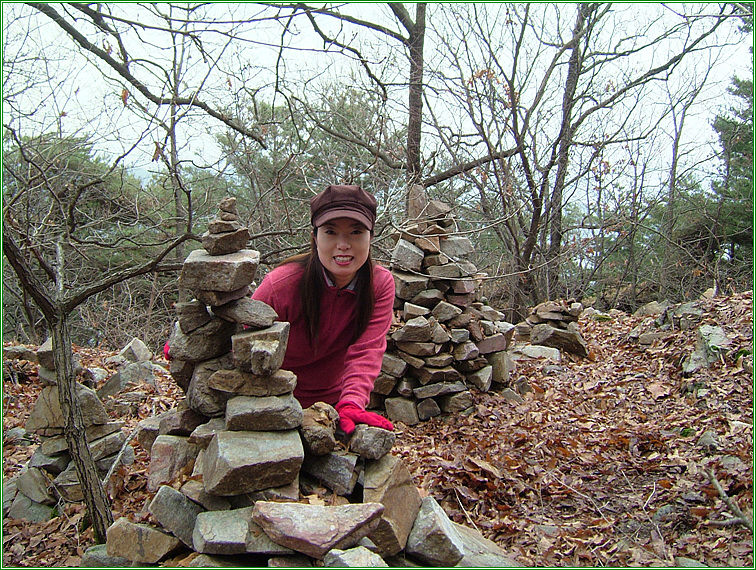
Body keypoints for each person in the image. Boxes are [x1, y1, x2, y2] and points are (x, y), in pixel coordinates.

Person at [251, 184, 394, 435]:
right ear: (315, 237)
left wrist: (351, 404)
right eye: (330, 232)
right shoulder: (280, 285)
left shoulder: (379, 285)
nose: (343, 245)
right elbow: (243, 336)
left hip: (332, 407)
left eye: (356, 232)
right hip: (272, 400)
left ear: (370, 237)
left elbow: (367, 350)